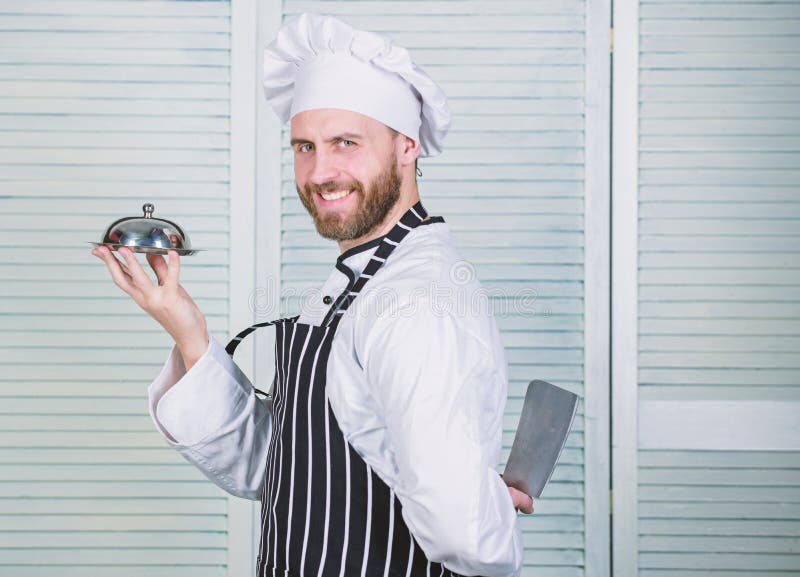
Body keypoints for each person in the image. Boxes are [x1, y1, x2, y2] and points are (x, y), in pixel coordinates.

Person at [92, 13, 532, 577]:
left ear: (406, 146)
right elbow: (283, 467)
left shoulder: (416, 300)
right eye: (304, 147)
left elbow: (464, 535)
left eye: (345, 143)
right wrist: (188, 331)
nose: (320, 171)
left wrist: (481, 513)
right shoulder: (360, 278)